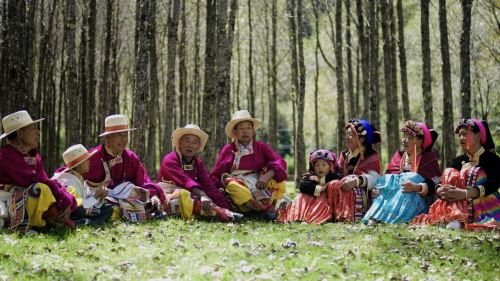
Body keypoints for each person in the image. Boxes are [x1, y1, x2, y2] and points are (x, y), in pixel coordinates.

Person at [413, 119, 500, 230]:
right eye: (459, 135)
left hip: (483, 202)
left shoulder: (492, 159)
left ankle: (458, 219)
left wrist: (465, 193)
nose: (461, 138)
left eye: (464, 134)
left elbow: (493, 184)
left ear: (478, 136)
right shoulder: (458, 160)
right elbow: (443, 182)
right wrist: (440, 190)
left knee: (471, 172)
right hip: (458, 199)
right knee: (449, 172)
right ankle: (455, 218)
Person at [0, 110, 77, 233]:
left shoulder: (32, 155)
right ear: (20, 133)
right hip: (9, 201)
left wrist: (65, 199)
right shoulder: (7, 153)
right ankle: (39, 225)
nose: (38, 132)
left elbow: (45, 179)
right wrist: (64, 200)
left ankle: (61, 219)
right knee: (39, 189)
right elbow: (31, 180)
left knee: (69, 190)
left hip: (30, 199)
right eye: (33, 128)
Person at [83, 114, 166, 222]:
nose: (124, 139)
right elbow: (73, 172)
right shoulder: (93, 156)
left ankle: (138, 213)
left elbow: (143, 181)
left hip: (126, 198)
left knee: (148, 200)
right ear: (108, 137)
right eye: (119, 135)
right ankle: (142, 214)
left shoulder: (131, 157)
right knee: (106, 205)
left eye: (125, 135)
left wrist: (153, 195)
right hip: (104, 199)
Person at [210, 110, 287, 220]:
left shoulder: (261, 147)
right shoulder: (228, 150)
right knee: (231, 186)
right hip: (239, 183)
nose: (245, 131)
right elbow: (215, 175)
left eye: (248, 128)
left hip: (260, 182)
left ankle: (257, 210)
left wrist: (266, 176)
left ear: (253, 131)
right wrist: (219, 188)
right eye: (241, 128)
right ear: (235, 132)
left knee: (280, 182)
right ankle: (265, 209)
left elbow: (280, 162)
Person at [157, 124, 243, 222]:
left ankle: (224, 212)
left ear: (198, 147)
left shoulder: (198, 163)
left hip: (192, 194)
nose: (190, 145)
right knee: (184, 195)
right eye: (187, 141)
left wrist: (222, 202)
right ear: (180, 142)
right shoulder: (170, 159)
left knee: (217, 195)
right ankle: (221, 214)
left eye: (194, 142)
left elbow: (208, 184)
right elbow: (185, 180)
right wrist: (202, 195)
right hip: (169, 196)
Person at [362, 121, 442, 224]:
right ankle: (375, 217)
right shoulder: (399, 157)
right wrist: (379, 189)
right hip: (395, 198)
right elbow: (387, 181)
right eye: (403, 136)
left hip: (418, 201)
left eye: (408, 137)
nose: (404, 140)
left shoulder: (428, 159)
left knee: (413, 177)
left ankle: (393, 219)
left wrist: (416, 187)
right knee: (384, 180)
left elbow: (434, 187)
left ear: (419, 142)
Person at [327, 119, 382, 222]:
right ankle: (333, 215)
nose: (347, 137)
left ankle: (349, 217)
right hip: (345, 187)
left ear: (361, 139)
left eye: (351, 135)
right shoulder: (344, 155)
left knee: (351, 189)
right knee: (333, 184)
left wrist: (356, 181)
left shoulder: (371, 154)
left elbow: (376, 179)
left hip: (364, 192)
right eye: (347, 134)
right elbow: (339, 173)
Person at [52, 144, 114, 225]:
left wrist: (98, 195)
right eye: (87, 160)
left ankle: (82, 222)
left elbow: (85, 197)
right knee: (81, 210)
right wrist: (95, 196)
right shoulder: (69, 180)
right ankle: (80, 222)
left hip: (80, 209)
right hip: (69, 211)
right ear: (80, 164)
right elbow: (79, 205)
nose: (89, 161)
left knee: (108, 208)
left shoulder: (76, 177)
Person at [278, 150, 340, 224]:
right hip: (310, 205)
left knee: (321, 197)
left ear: (330, 167)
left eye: (324, 165)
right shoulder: (313, 178)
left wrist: (321, 180)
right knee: (302, 195)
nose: (320, 168)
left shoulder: (334, 177)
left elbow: (336, 177)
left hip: (325, 205)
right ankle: (295, 217)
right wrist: (321, 188)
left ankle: (311, 219)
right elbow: (303, 187)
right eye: (317, 165)